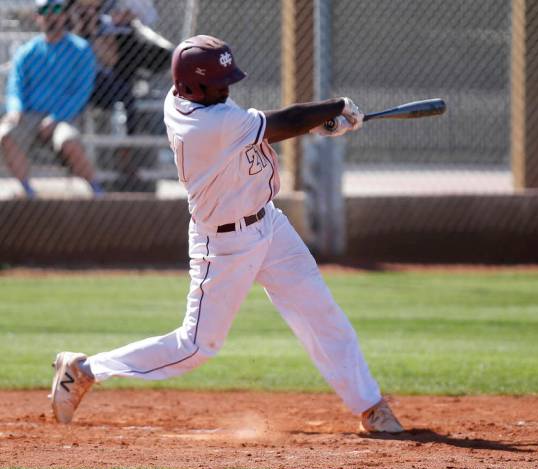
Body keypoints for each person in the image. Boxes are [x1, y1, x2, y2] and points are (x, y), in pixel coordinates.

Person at [50, 35, 404, 434]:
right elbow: (278, 122)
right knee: (196, 347)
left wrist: (317, 124)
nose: (226, 88)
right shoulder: (205, 122)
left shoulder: (194, 99)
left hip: (269, 224)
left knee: (320, 312)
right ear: (192, 86)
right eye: (218, 82)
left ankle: (370, 407)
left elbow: (268, 129)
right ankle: (85, 370)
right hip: (224, 243)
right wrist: (335, 108)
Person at [0, 0, 103, 198]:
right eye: (45, 10)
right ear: (37, 17)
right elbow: (15, 87)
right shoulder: (27, 51)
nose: (51, 15)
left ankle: (96, 191)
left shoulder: (80, 50)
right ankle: (29, 193)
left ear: (65, 15)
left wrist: (56, 118)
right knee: (4, 134)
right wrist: (15, 109)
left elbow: (81, 92)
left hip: (64, 118)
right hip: (29, 116)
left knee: (68, 140)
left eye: (56, 9)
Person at [70, 0, 172, 191]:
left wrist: (94, 34)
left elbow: (111, 60)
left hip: (99, 82)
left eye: (90, 10)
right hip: (74, 81)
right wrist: (79, 31)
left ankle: (126, 156)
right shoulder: (67, 26)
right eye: (82, 10)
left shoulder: (105, 25)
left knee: (126, 95)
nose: (87, 12)